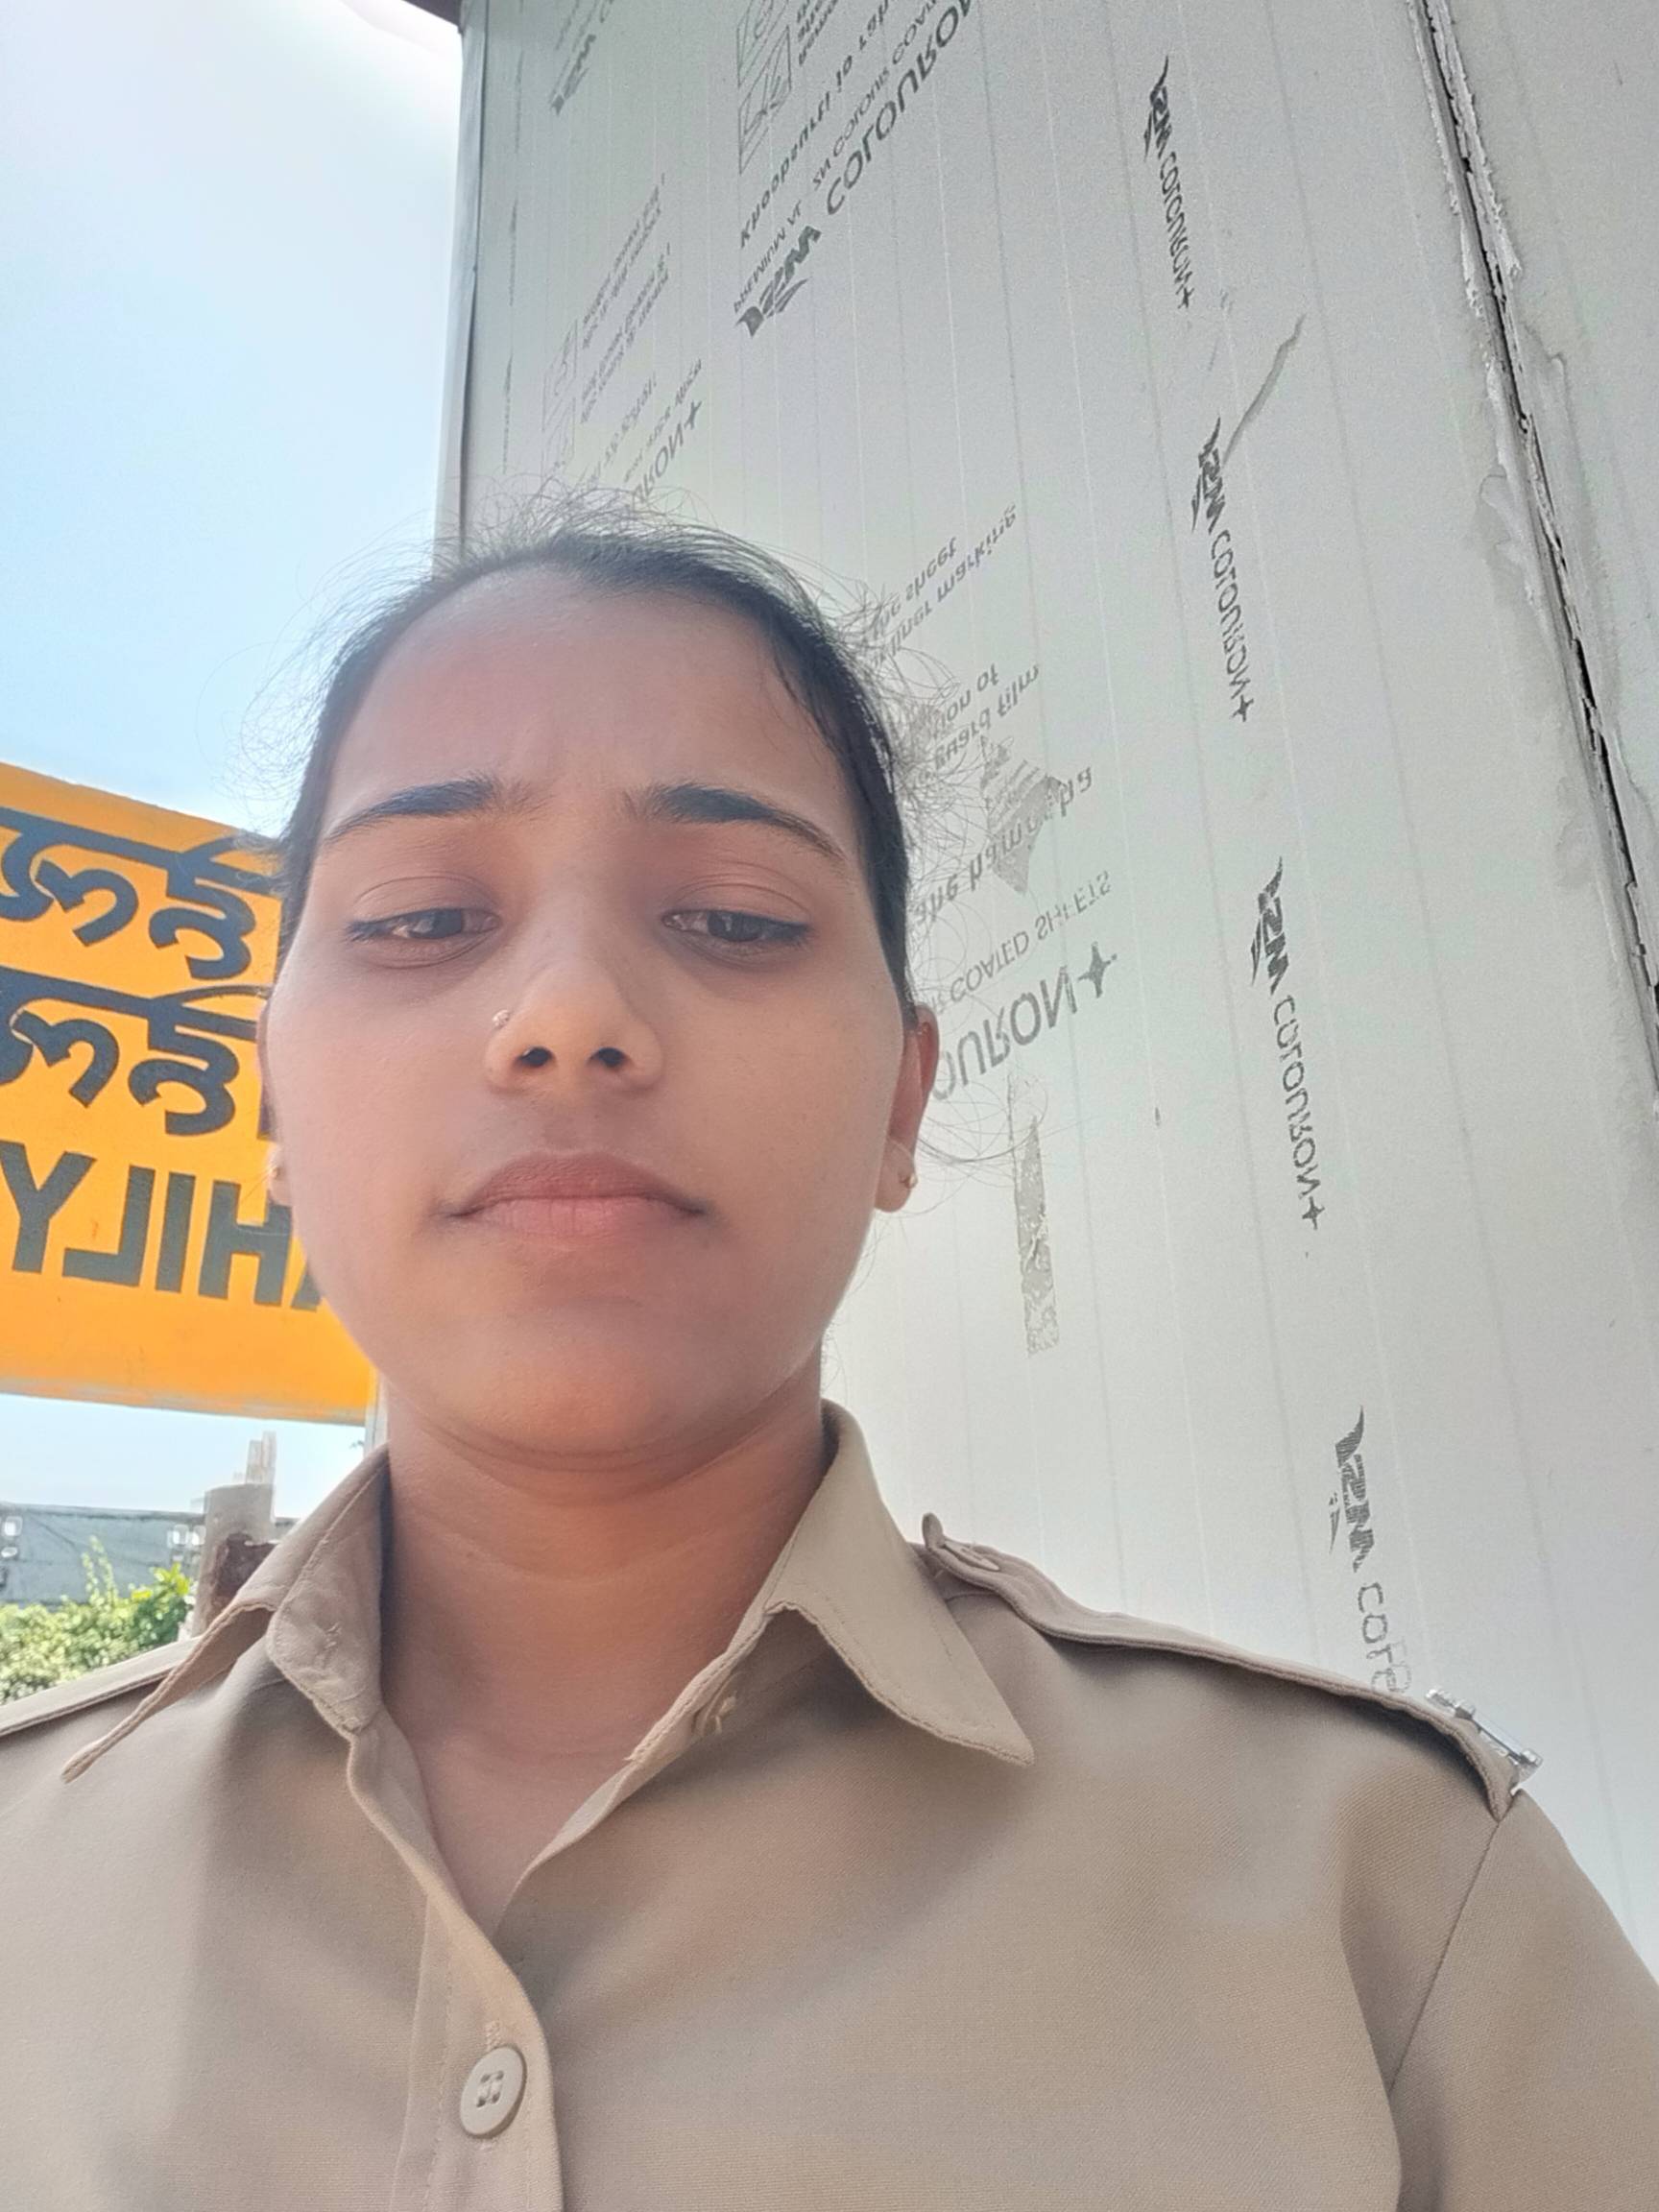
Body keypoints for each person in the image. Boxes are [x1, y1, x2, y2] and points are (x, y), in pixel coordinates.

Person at [1, 499, 1655, 2209]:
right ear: (270, 1099)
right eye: (422, 918)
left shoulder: (1388, 1910)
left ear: (901, 1102)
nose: (567, 1015)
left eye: (732, 918)